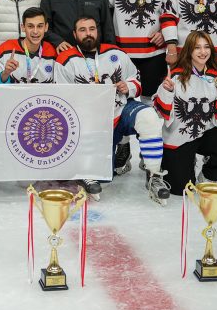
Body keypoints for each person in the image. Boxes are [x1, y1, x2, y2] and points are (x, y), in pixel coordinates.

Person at [56, 16, 171, 205]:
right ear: (74, 34)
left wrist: (128, 86)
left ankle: (154, 176)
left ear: (98, 31)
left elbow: (136, 78)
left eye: (92, 28)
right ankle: (89, 171)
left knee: (149, 117)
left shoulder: (116, 53)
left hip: (120, 111)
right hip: (89, 124)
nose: (88, 33)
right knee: (104, 177)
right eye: (83, 30)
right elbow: (61, 98)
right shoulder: (65, 60)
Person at [102, 0, 170, 174]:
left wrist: (165, 32)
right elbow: (106, 10)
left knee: (149, 104)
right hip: (124, 52)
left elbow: (168, 8)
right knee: (120, 101)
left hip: (153, 52)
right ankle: (123, 150)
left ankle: (146, 151)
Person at [155, 31, 217, 195]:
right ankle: (171, 162)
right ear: (189, 50)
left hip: (204, 132)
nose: (203, 52)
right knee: (181, 190)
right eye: (197, 48)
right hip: (179, 137)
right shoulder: (175, 75)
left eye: (206, 47)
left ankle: (208, 174)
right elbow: (161, 112)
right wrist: (167, 91)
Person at [0, 7, 57, 84]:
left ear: (46, 27)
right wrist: (5, 73)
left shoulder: (53, 52)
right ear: (23, 27)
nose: (35, 31)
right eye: (30, 26)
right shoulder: (4, 50)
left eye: (40, 26)